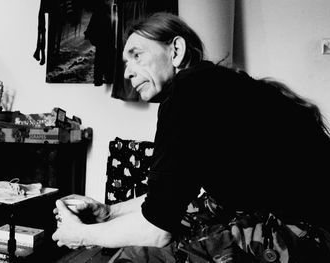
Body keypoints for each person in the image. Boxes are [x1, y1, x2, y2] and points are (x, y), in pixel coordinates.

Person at [52, 12, 330, 262]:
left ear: (176, 50)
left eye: (136, 55)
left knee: (139, 256)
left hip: (308, 235)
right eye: (125, 63)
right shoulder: (211, 85)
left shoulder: (189, 91)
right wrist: (110, 212)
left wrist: (80, 235)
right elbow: (168, 200)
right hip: (298, 222)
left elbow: (158, 229)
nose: (127, 72)